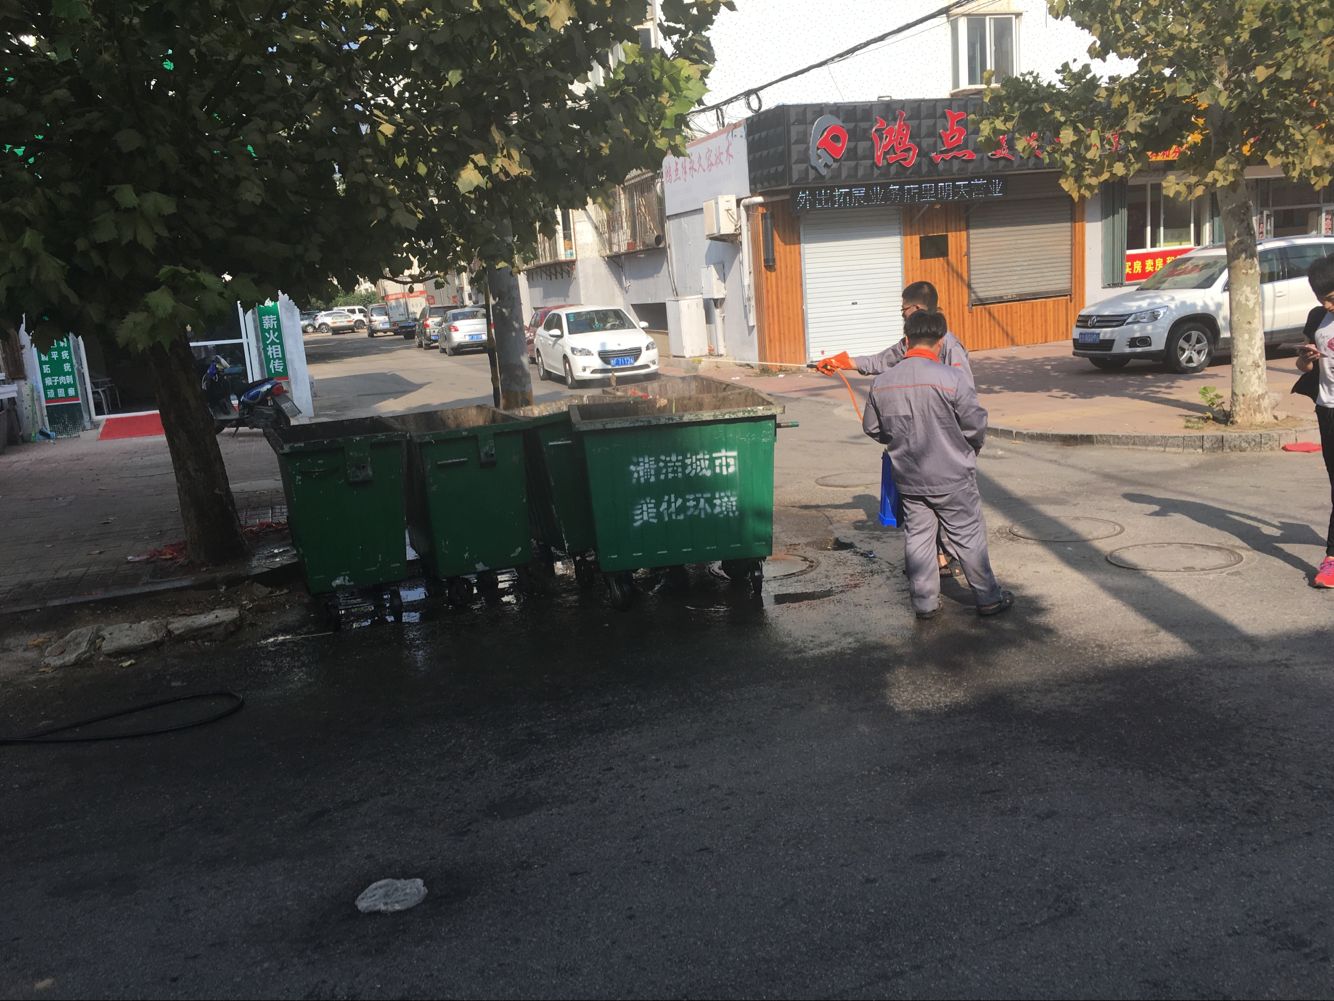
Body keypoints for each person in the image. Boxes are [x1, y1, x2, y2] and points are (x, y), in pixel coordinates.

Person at [862, 310, 1012, 620]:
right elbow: (975, 425)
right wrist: (970, 449)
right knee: (968, 536)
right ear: (940, 342)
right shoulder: (952, 379)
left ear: (907, 341)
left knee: (918, 538)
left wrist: (898, 441)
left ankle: (925, 604)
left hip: (909, 478)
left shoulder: (883, 382)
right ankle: (988, 598)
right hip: (952, 475)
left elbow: (873, 428)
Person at [814, 281, 973, 381]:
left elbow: (964, 389)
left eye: (903, 309)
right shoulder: (907, 344)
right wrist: (841, 362)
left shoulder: (950, 346)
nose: (902, 314)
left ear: (917, 308)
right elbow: (879, 362)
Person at [1296, 253, 1334, 588]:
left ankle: (1331, 558)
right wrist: (1306, 358)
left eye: (1331, 297)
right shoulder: (1317, 318)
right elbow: (1304, 368)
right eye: (1321, 298)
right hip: (1327, 407)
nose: (1327, 304)